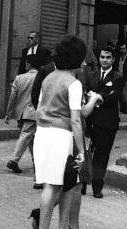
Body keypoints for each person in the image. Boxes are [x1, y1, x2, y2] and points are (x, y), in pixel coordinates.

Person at [33, 34, 101, 229]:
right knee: (57, 186)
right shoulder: (73, 83)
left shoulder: (48, 79)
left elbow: (39, 109)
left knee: (59, 185)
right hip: (61, 137)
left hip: (42, 134)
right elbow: (76, 121)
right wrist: (81, 151)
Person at [84, 43, 124, 198]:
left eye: (108, 57)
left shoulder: (117, 77)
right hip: (91, 120)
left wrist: (98, 96)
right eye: (102, 57)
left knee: (102, 154)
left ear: (113, 59)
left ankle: (97, 187)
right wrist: (94, 95)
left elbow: (115, 97)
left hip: (108, 122)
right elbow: (86, 92)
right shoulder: (91, 75)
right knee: (87, 152)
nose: (104, 60)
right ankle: (82, 184)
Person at [5, 54, 41, 186]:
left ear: (29, 64)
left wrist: (8, 112)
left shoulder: (19, 78)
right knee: (29, 136)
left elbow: (12, 97)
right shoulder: (41, 77)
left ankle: (16, 160)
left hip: (22, 113)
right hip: (35, 112)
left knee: (28, 136)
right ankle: (18, 160)